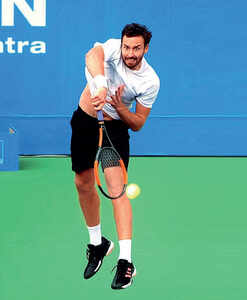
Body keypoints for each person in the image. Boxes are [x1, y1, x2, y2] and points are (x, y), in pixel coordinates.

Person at [70, 23, 160, 290]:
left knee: (116, 190)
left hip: (114, 130)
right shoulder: (111, 49)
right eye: (127, 47)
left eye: (136, 48)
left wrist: (120, 107)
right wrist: (100, 86)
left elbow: (138, 122)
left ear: (146, 48)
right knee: (82, 182)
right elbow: (91, 56)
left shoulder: (150, 81)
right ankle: (98, 244)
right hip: (86, 121)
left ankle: (125, 262)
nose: (130, 53)